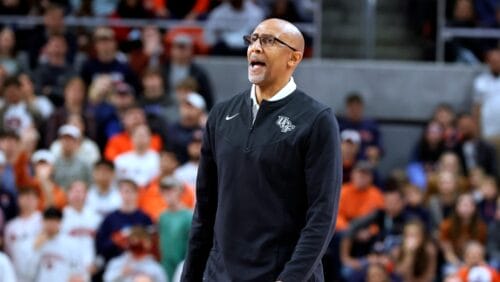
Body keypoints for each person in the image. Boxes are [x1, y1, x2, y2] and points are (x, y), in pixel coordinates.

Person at [182, 19, 342, 281]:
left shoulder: (316, 119)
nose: (255, 47)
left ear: (294, 58)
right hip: (219, 275)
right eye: (253, 39)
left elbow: (322, 217)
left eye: (268, 40)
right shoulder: (221, 115)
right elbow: (205, 211)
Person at [95, 179, 153, 269]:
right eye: (124, 191)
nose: (127, 195)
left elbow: (152, 243)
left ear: (137, 194)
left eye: (130, 191)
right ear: (119, 194)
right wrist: (115, 240)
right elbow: (101, 246)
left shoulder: (145, 218)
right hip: (115, 264)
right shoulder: (110, 219)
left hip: (141, 264)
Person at [27, 207, 86, 282]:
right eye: (47, 220)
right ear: (42, 222)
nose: (50, 225)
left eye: (54, 221)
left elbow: (78, 272)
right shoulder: (35, 242)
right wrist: (36, 249)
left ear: (60, 223)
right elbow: (28, 274)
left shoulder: (70, 244)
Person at [61, 180, 103, 280]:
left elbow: (102, 244)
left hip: (90, 268)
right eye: (74, 191)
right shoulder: (61, 217)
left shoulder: (96, 217)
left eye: (81, 191)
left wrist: (98, 263)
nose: (77, 195)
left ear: (86, 195)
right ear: (68, 194)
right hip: (67, 268)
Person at [163, 34, 214, 109]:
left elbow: (207, 97)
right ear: (172, 50)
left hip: (192, 109)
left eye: (184, 48)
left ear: (191, 50)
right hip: (167, 108)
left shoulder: (199, 73)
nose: (181, 51)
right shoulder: (164, 69)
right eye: (178, 47)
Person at [3, 188, 42, 282]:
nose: (29, 200)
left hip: (40, 275)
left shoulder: (43, 220)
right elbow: (8, 252)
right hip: (16, 276)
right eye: (26, 197)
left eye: (32, 197)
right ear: (19, 199)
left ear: (37, 200)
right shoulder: (10, 226)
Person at [158, 176, 193, 281]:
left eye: (171, 190)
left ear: (180, 192)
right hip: (166, 266)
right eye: (164, 191)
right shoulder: (163, 216)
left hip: (183, 266)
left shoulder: (189, 216)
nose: (167, 194)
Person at [473, 48, 500, 178]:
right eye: (492, 61)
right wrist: (477, 134)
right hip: (487, 133)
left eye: (498, 60)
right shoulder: (481, 81)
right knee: (488, 170)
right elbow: (476, 108)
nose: (495, 63)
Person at [338, 92, 383, 164]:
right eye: (352, 108)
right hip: (343, 165)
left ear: (362, 108)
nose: (355, 111)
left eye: (357, 107)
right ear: (347, 108)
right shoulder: (339, 126)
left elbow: (379, 148)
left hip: (364, 165)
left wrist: (375, 151)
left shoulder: (371, 126)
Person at [52, 124, 92, 189]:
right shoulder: (54, 163)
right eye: (65, 139)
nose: (67, 142)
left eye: (70, 139)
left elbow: (90, 183)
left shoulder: (85, 163)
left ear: (77, 142)